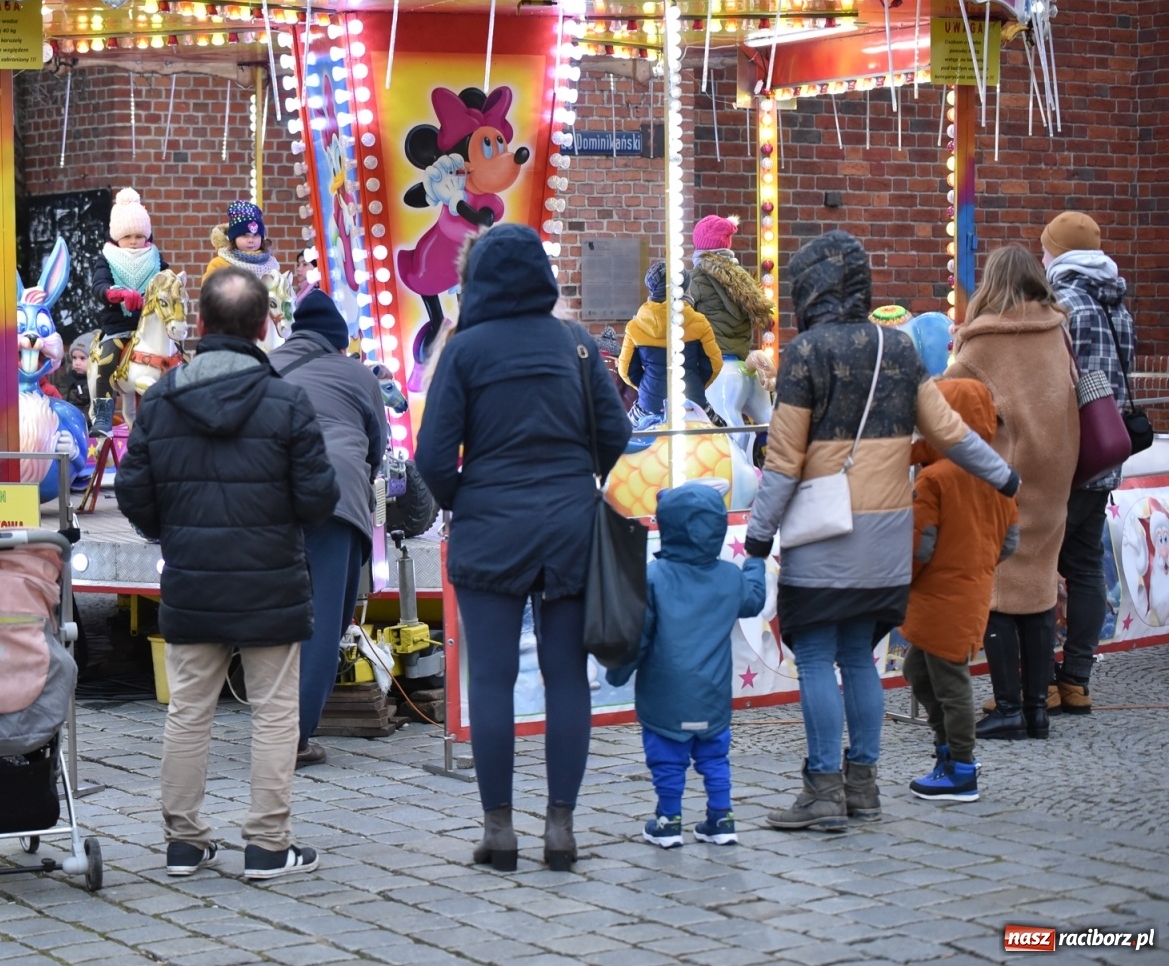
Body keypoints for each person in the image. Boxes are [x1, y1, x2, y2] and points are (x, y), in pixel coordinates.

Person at [744, 231, 1017, 832]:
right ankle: (862, 787)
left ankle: (821, 790)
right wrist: (1004, 477)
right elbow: (949, 432)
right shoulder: (900, 349)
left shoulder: (806, 353)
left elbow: (785, 461)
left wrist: (758, 539)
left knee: (815, 655)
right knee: (859, 659)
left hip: (825, 531)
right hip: (889, 533)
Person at [416, 224, 629, 872]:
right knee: (568, 676)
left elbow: (430, 456)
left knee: (492, 678)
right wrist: (576, 476)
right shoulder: (577, 345)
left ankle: (499, 830)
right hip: (569, 525)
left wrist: (466, 494)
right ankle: (560, 826)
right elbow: (616, 433)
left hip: (489, 524)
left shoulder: (464, 349)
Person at [115, 268, 339, 882]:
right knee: (273, 712)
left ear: (202, 326)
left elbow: (134, 495)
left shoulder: (160, 400)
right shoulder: (288, 401)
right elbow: (320, 498)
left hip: (192, 576)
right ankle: (269, 845)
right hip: (271, 578)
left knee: (189, 710)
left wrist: (176, 530)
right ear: (266, 326)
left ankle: (183, 843)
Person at [943, 244, 1079, 741]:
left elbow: (946, 404)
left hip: (1006, 477)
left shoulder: (984, 342)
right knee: (1040, 587)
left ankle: (1007, 708)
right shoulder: (1055, 331)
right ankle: (1037, 708)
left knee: (998, 594)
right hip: (1056, 474)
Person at [604, 484, 766, 849]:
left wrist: (617, 671)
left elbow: (637, 638)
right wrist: (754, 562)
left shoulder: (652, 577)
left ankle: (668, 820)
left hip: (665, 693)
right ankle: (721, 818)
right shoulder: (728, 576)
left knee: (667, 760)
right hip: (712, 692)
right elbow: (753, 600)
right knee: (714, 757)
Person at [270, 289, 388, 768]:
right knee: (321, 620)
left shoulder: (267, 366)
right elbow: (377, 446)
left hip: (273, 499)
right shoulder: (358, 374)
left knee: (276, 613)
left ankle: (268, 722)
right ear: (339, 342)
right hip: (336, 499)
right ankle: (295, 737)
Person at [902, 378, 1020, 802]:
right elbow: (1010, 541)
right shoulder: (995, 475)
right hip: (968, 591)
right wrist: (977, 566)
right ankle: (949, 750)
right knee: (918, 669)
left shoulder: (934, 478)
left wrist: (902, 581)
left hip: (939, 596)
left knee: (948, 682)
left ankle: (962, 767)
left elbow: (919, 546)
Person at [1042, 211, 1136, 715]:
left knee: (1035, 563)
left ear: (1056, 252)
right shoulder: (1117, 304)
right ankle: (1076, 676)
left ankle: (1039, 683)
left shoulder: (1063, 304)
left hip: (1066, 456)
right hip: (1106, 453)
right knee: (1084, 566)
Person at [688, 215, 776, 450]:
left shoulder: (695, 279)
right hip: (743, 361)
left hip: (714, 364)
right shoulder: (743, 280)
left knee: (690, 402)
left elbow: (683, 317)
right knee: (769, 422)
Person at [89, 188, 165, 432]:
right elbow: (98, 284)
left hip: (150, 323)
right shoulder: (107, 257)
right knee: (107, 357)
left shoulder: (155, 257)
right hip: (120, 325)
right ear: (116, 236)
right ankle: (103, 410)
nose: (134, 241)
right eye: (128, 236)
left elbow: (166, 279)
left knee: (176, 354)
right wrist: (116, 294)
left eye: (139, 235)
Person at [619, 260, 724, 424]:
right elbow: (714, 364)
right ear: (682, 289)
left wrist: (649, 386)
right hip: (691, 399)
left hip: (649, 402)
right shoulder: (698, 321)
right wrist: (695, 383)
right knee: (723, 434)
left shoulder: (635, 326)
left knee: (625, 434)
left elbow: (625, 370)